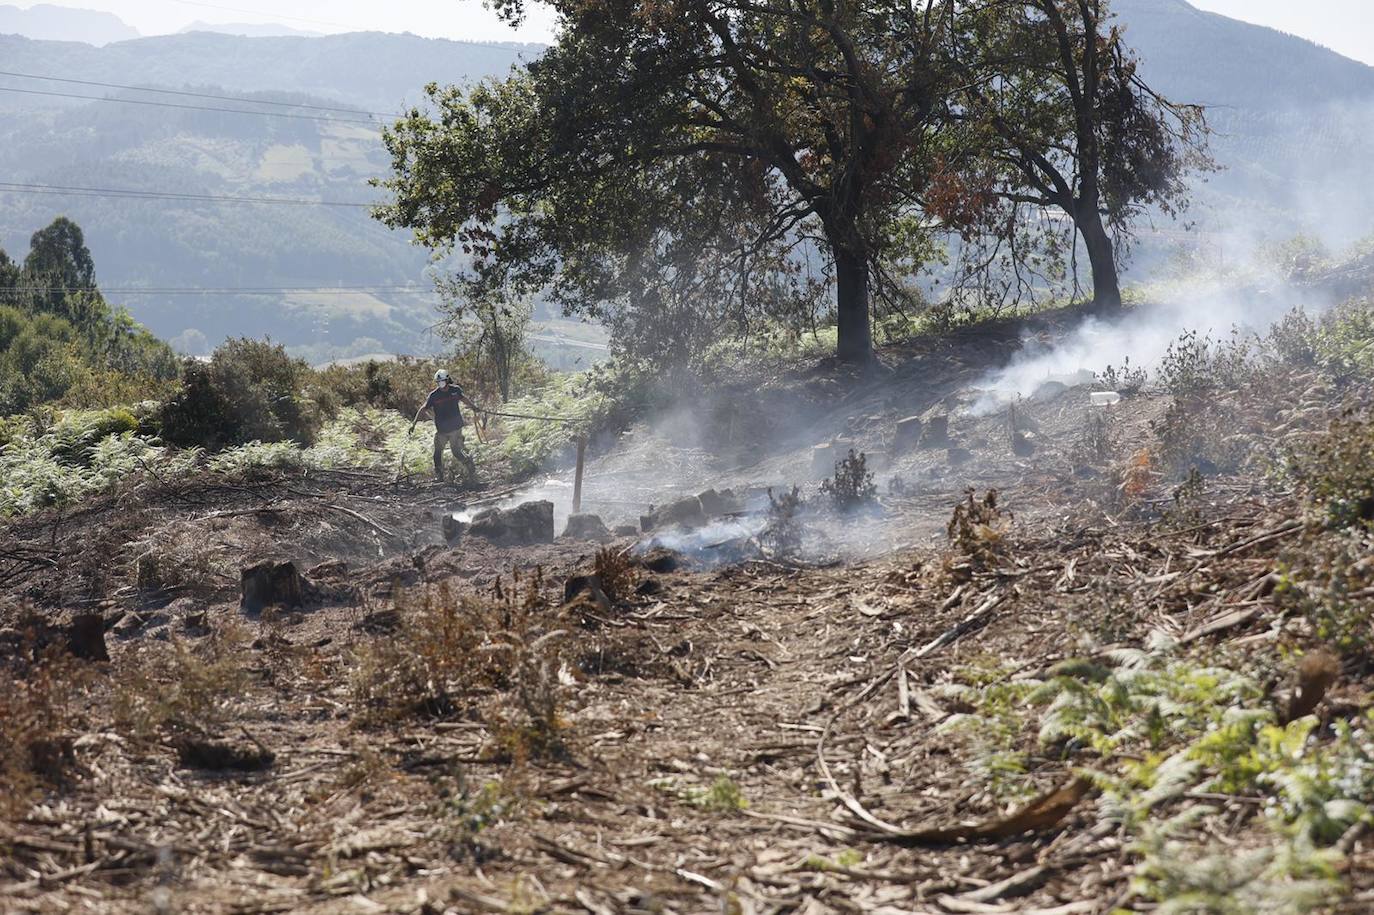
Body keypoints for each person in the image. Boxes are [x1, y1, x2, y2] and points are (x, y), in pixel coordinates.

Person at [411, 369, 480, 483]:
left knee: (456, 452)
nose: (440, 384)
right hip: (442, 430)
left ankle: (470, 467)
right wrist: (414, 423)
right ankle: (440, 476)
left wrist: (474, 407)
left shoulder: (455, 390)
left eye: (442, 381)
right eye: (438, 382)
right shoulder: (434, 395)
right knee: (438, 453)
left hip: (455, 428)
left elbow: (464, 399)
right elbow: (423, 408)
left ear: (447, 380)